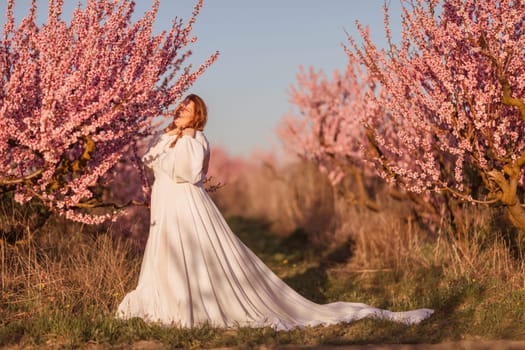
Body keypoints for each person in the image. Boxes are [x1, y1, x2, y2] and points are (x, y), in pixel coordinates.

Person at [115, 94, 433, 330]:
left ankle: (191, 304)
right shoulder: (164, 137)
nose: (183, 112)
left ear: (199, 118)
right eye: (182, 107)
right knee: (166, 254)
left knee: (195, 253)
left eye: (190, 110)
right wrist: (172, 141)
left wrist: (185, 139)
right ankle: (167, 299)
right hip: (165, 207)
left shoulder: (197, 140)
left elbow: (188, 173)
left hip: (187, 205)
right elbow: (153, 162)